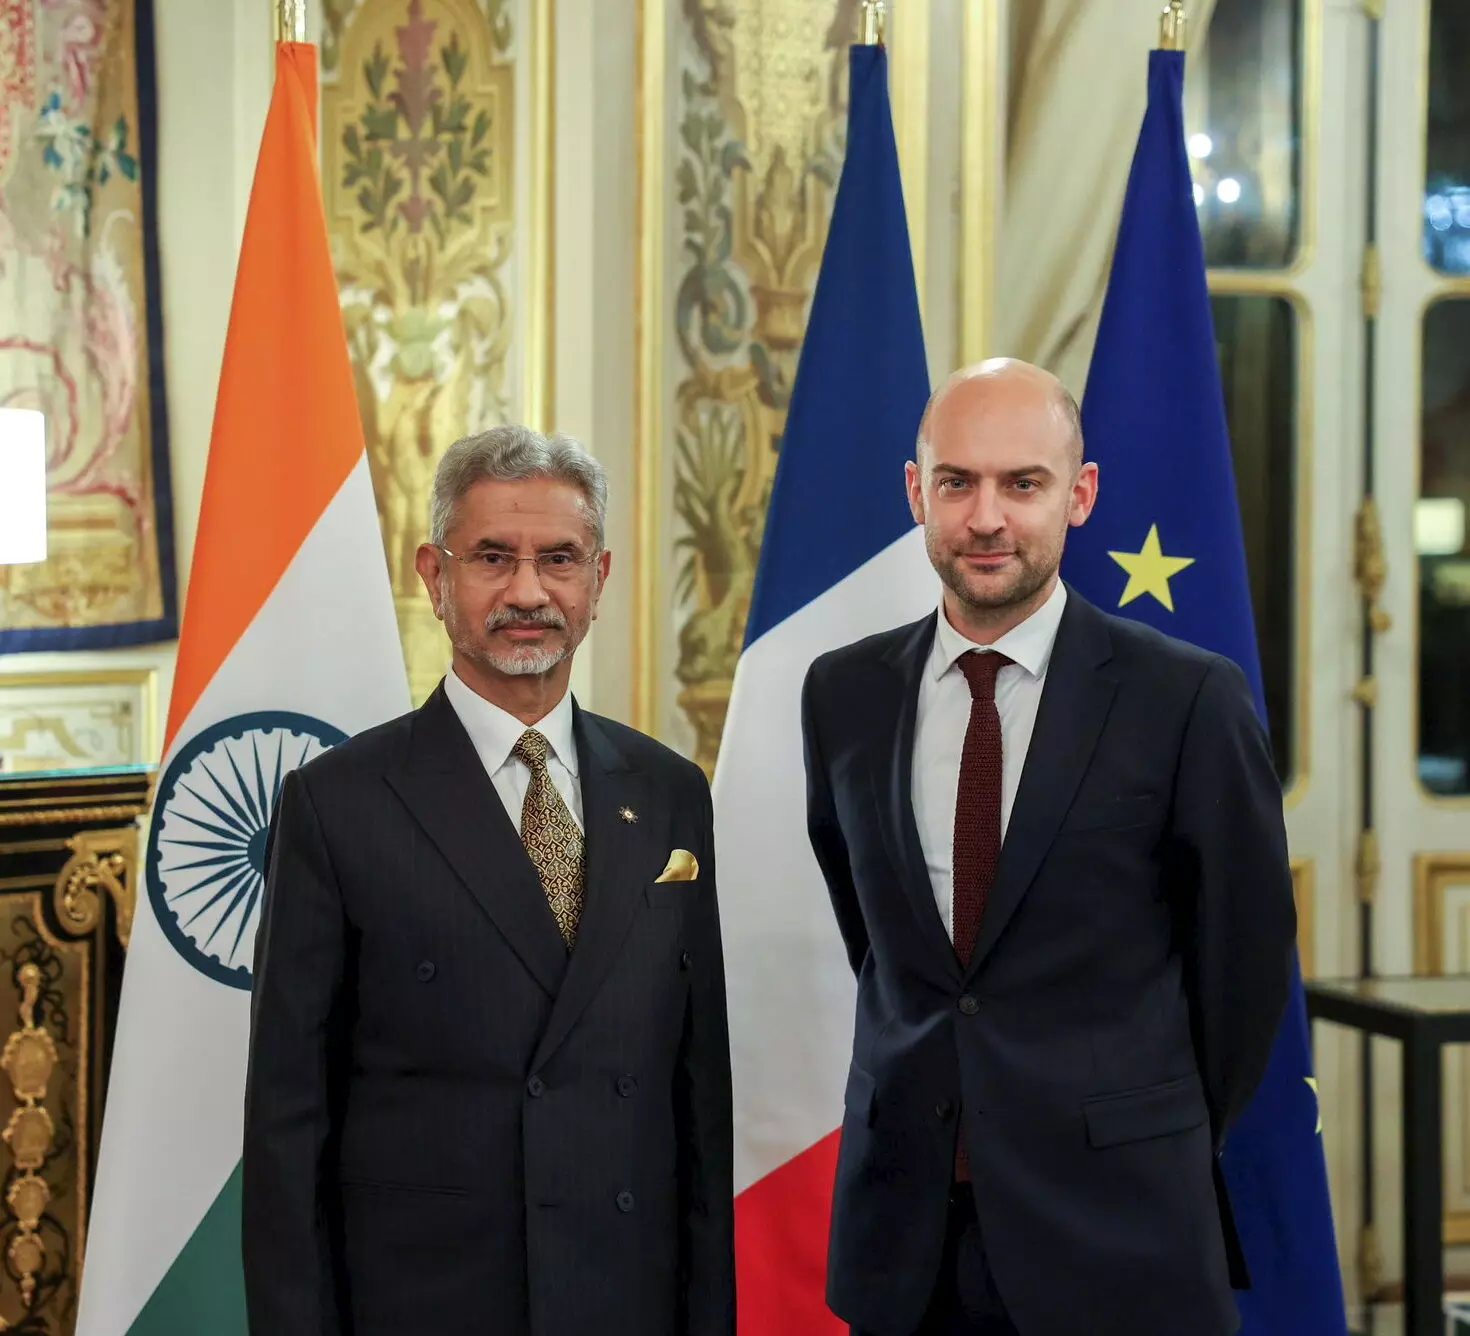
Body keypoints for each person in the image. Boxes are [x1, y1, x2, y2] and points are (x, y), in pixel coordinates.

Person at [801, 359, 1296, 1336]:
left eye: (1022, 483)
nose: (987, 517)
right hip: (906, 1246)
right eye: (958, 482)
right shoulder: (842, 694)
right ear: (917, 493)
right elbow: (880, 943)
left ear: (1080, 494)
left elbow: (1241, 972)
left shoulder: (1187, 700)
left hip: (1119, 1238)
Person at [243, 426, 735, 1336]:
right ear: (434, 576)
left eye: (558, 559)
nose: (527, 592)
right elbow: (286, 1131)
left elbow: (698, 1107)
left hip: (623, 1299)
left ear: (599, 579)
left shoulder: (670, 794)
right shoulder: (336, 804)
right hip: (427, 1304)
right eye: (492, 558)